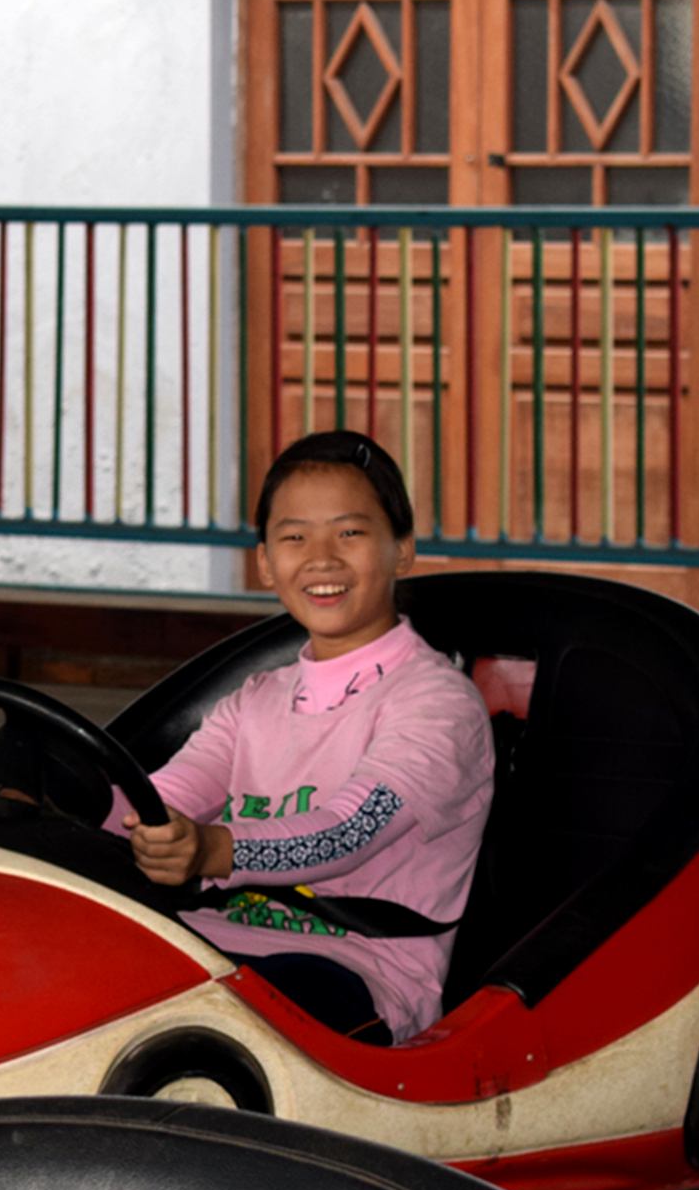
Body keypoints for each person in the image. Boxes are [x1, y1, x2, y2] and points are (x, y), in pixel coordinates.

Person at [116, 430, 491, 1044]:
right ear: (266, 561)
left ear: (402, 550)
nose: (321, 559)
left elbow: (349, 831)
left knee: (193, 1017)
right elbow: (158, 800)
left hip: (360, 972)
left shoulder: (437, 704)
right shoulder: (255, 700)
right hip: (217, 943)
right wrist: (54, 806)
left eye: (350, 533)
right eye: (295, 537)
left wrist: (215, 849)